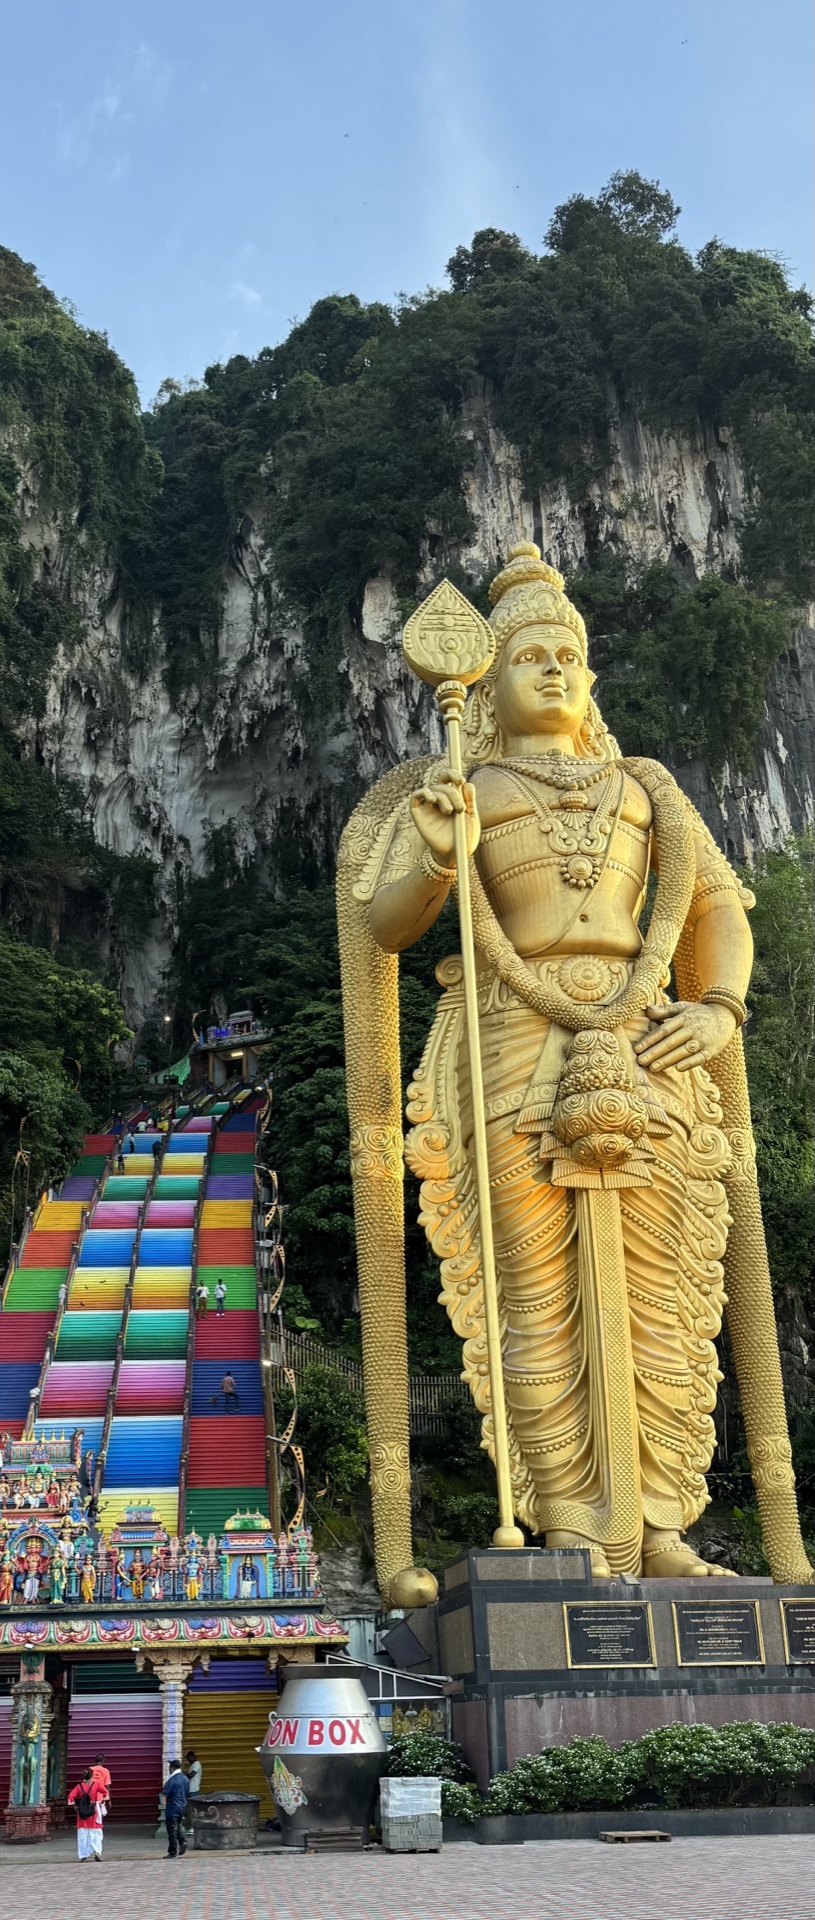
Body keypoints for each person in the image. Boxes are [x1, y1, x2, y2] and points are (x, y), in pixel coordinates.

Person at [348, 540, 793, 1584]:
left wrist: (719, 1004)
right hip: (510, 1037)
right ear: (490, 681)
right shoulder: (466, 781)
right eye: (529, 655)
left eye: (569, 652)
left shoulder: (648, 787)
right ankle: (575, 1530)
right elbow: (383, 922)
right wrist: (432, 845)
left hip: (648, 1040)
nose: (554, 668)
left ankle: (666, 1524)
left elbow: (717, 907)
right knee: (533, 1294)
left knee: (667, 1290)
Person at [161, 1758, 190, 1858]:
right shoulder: (185, 1778)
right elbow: (187, 1793)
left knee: (172, 1831)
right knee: (178, 1828)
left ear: (172, 1768)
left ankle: (173, 1852)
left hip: (172, 1807)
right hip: (182, 1807)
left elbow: (165, 1793)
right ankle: (182, 1842)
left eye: (170, 1767)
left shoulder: (172, 1780)